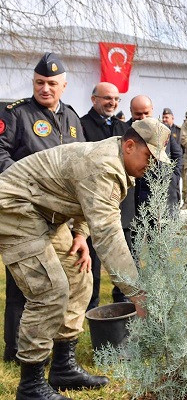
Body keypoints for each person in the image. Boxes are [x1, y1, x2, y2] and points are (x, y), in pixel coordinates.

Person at [0, 117, 169, 399]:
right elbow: (108, 235)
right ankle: (30, 384)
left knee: (78, 276)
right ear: (129, 145)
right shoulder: (103, 166)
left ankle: (63, 367)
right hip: (16, 207)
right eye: (149, 157)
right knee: (49, 290)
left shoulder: (117, 160)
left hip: (47, 212)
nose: (151, 165)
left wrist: (80, 233)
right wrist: (138, 293)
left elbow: (86, 201)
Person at [0, 52, 87, 364]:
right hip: (25, 211)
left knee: (66, 280)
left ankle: (53, 348)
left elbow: (81, 168)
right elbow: (0, 153)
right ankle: (15, 349)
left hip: (59, 216)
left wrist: (81, 229)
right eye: (39, 82)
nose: (45, 88)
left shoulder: (73, 118)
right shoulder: (16, 114)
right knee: (23, 285)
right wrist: (28, 182)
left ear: (63, 85)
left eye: (51, 83)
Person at [80, 82, 135, 310]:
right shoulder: (81, 125)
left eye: (115, 99)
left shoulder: (125, 129)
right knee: (92, 255)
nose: (112, 103)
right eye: (107, 98)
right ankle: (90, 301)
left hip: (123, 201)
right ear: (94, 99)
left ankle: (122, 296)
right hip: (95, 201)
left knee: (124, 251)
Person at [128, 95, 183, 211]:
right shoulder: (126, 130)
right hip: (138, 191)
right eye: (138, 114)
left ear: (152, 109)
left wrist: (174, 176)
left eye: (146, 113)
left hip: (165, 189)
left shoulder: (163, 129)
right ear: (131, 111)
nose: (143, 117)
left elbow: (177, 153)